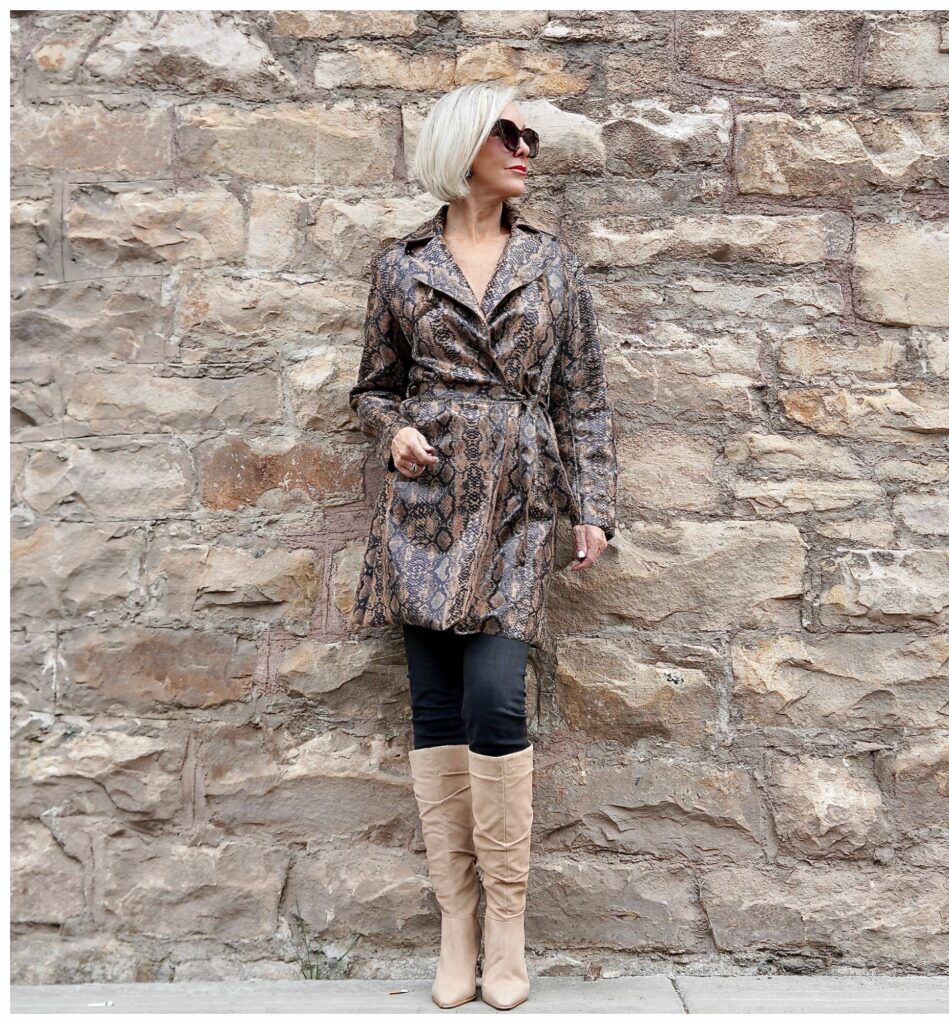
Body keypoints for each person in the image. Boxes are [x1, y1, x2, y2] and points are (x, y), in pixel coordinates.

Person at [348, 82, 618, 1010]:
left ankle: (505, 922)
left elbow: (582, 397)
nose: (523, 146)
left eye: (528, 135)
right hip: (425, 508)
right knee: (433, 709)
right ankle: (454, 921)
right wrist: (393, 431)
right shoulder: (401, 264)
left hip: (516, 505)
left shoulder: (552, 266)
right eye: (506, 132)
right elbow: (373, 386)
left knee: (496, 704)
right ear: (461, 144)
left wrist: (593, 506)